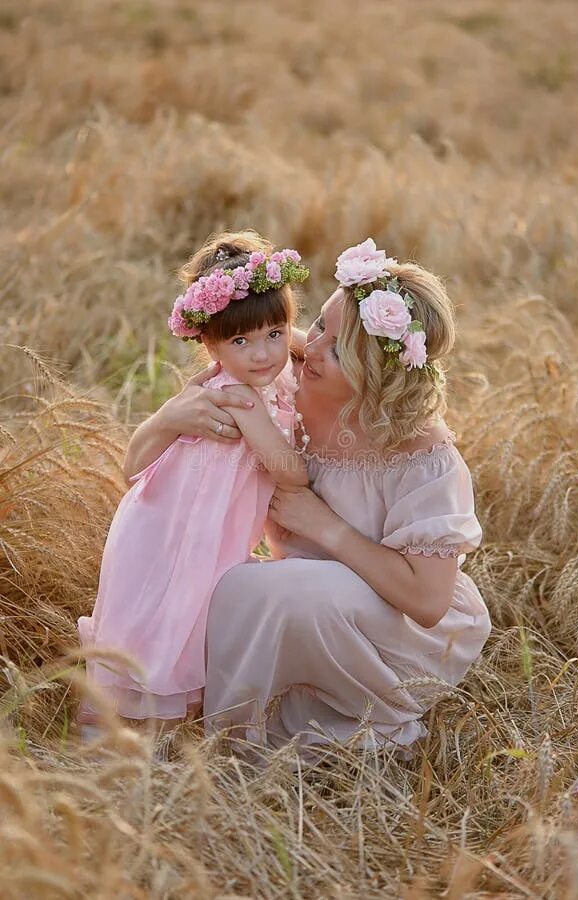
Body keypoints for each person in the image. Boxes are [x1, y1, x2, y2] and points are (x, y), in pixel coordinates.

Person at [122, 237, 492, 759]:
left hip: (397, 631)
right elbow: (136, 465)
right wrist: (168, 416)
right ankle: (206, 726)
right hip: (305, 602)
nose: (308, 346)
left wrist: (324, 526)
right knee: (221, 584)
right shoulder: (284, 373)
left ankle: (232, 752)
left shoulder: (421, 452)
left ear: (375, 373)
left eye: (337, 349)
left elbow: (428, 603)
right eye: (319, 322)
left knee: (265, 590)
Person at [77, 231, 310, 733]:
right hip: (172, 531)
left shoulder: (264, 367)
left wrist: (287, 336)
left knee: (184, 624)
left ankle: (160, 737)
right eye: (240, 342)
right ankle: (133, 744)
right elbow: (289, 471)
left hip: (200, 530)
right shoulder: (238, 397)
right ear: (208, 343)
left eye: (275, 333)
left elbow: (288, 339)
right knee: (163, 628)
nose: (264, 354)